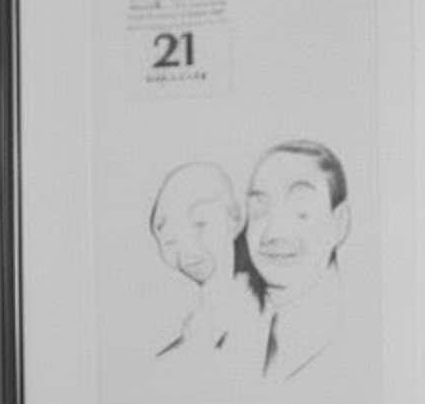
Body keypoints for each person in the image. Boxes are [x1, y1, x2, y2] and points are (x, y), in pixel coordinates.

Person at [241, 138, 352, 381]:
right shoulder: (239, 334)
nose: (272, 233)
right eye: (259, 209)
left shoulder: (354, 340)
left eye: (300, 211)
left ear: (339, 223)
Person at [148, 161, 255, 361]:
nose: (187, 250)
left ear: (235, 217)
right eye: (171, 241)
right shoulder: (194, 326)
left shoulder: (258, 314)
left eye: (200, 225)